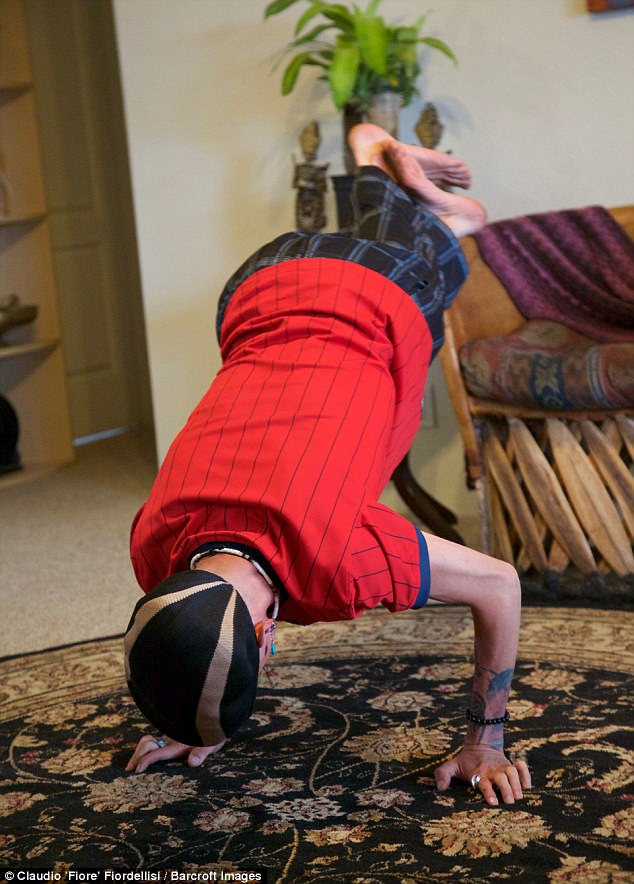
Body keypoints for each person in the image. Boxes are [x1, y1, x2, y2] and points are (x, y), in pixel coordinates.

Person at [124, 124, 532, 808]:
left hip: (375, 293)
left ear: (266, 636)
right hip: (260, 285)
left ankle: (403, 184)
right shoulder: (153, 544)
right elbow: (191, 623)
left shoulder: (342, 561)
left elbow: (499, 585)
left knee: (444, 257)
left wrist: (485, 742)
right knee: (424, 244)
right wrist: (197, 705)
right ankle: (387, 172)